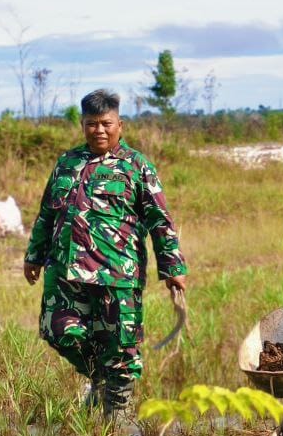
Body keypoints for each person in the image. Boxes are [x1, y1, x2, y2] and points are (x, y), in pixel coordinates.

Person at [24, 89, 187, 415]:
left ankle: (117, 423)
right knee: (59, 332)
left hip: (118, 274)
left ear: (119, 125)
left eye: (105, 123)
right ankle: (101, 378)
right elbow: (46, 213)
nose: (99, 130)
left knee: (121, 348)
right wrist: (34, 255)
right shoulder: (67, 163)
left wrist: (172, 267)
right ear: (82, 125)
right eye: (91, 124)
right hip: (66, 272)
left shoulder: (137, 166)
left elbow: (160, 220)